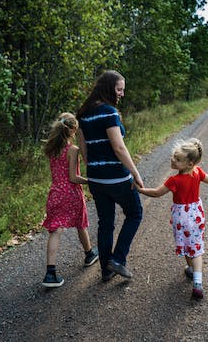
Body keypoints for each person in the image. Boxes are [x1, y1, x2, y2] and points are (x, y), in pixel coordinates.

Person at [137, 138, 208, 299]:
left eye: (178, 159)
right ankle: (196, 278)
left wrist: (140, 190)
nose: (173, 160)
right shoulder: (198, 172)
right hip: (195, 216)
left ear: (190, 163)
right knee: (196, 246)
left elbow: (156, 193)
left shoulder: (174, 180)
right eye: (174, 156)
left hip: (181, 218)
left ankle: (193, 273)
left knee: (187, 244)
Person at [77, 70, 144, 282]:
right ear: (108, 88)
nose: (122, 94)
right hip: (117, 177)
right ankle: (118, 259)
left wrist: (94, 170)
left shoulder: (83, 114)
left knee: (106, 223)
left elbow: (83, 148)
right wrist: (135, 173)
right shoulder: (109, 112)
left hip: (96, 178)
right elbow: (119, 147)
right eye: (119, 89)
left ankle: (106, 270)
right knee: (135, 213)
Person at [41, 112, 99, 288]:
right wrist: (91, 181)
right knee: (81, 224)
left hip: (55, 194)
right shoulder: (72, 150)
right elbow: (73, 178)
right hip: (71, 194)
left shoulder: (52, 149)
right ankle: (89, 254)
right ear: (74, 130)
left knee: (55, 231)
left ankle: (50, 273)